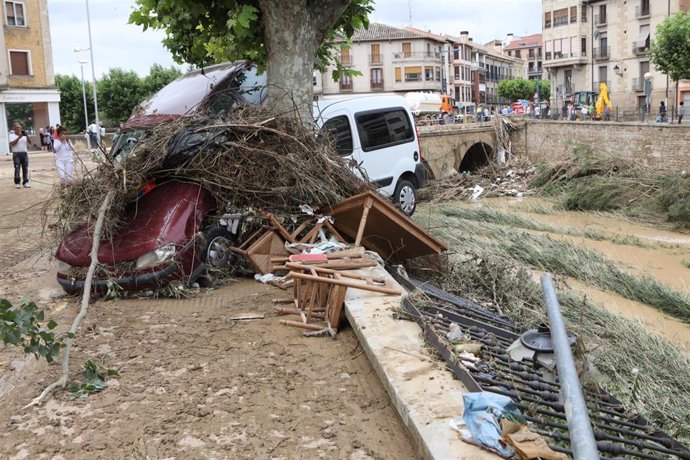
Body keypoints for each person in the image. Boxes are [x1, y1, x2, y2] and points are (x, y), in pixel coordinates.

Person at [8, 122, 32, 188]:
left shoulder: (24, 135)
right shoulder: (11, 135)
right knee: (17, 168)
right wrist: (18, 138)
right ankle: (17, 182)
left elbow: (30, 142)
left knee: (25, 168)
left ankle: (26, 182)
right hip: (16, 154)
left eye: (19, 127)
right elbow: (12, 144)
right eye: (17, 127)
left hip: (24, 153)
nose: (18, 129)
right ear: (13, 128)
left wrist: (27, 135)